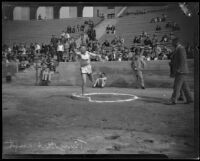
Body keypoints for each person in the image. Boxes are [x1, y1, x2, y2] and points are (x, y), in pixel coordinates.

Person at [166, 37, 193, 105]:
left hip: (181, 71)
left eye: (173, 42)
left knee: (176, 86)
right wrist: (172, 63)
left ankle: (173, 100)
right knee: (184, 86)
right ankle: (189, 99)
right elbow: (178, 60)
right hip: (181, 70)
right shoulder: (178, 49)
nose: (172, 43)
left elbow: (182, 60)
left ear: (176, 42)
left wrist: (179, 69)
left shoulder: (180, 49)